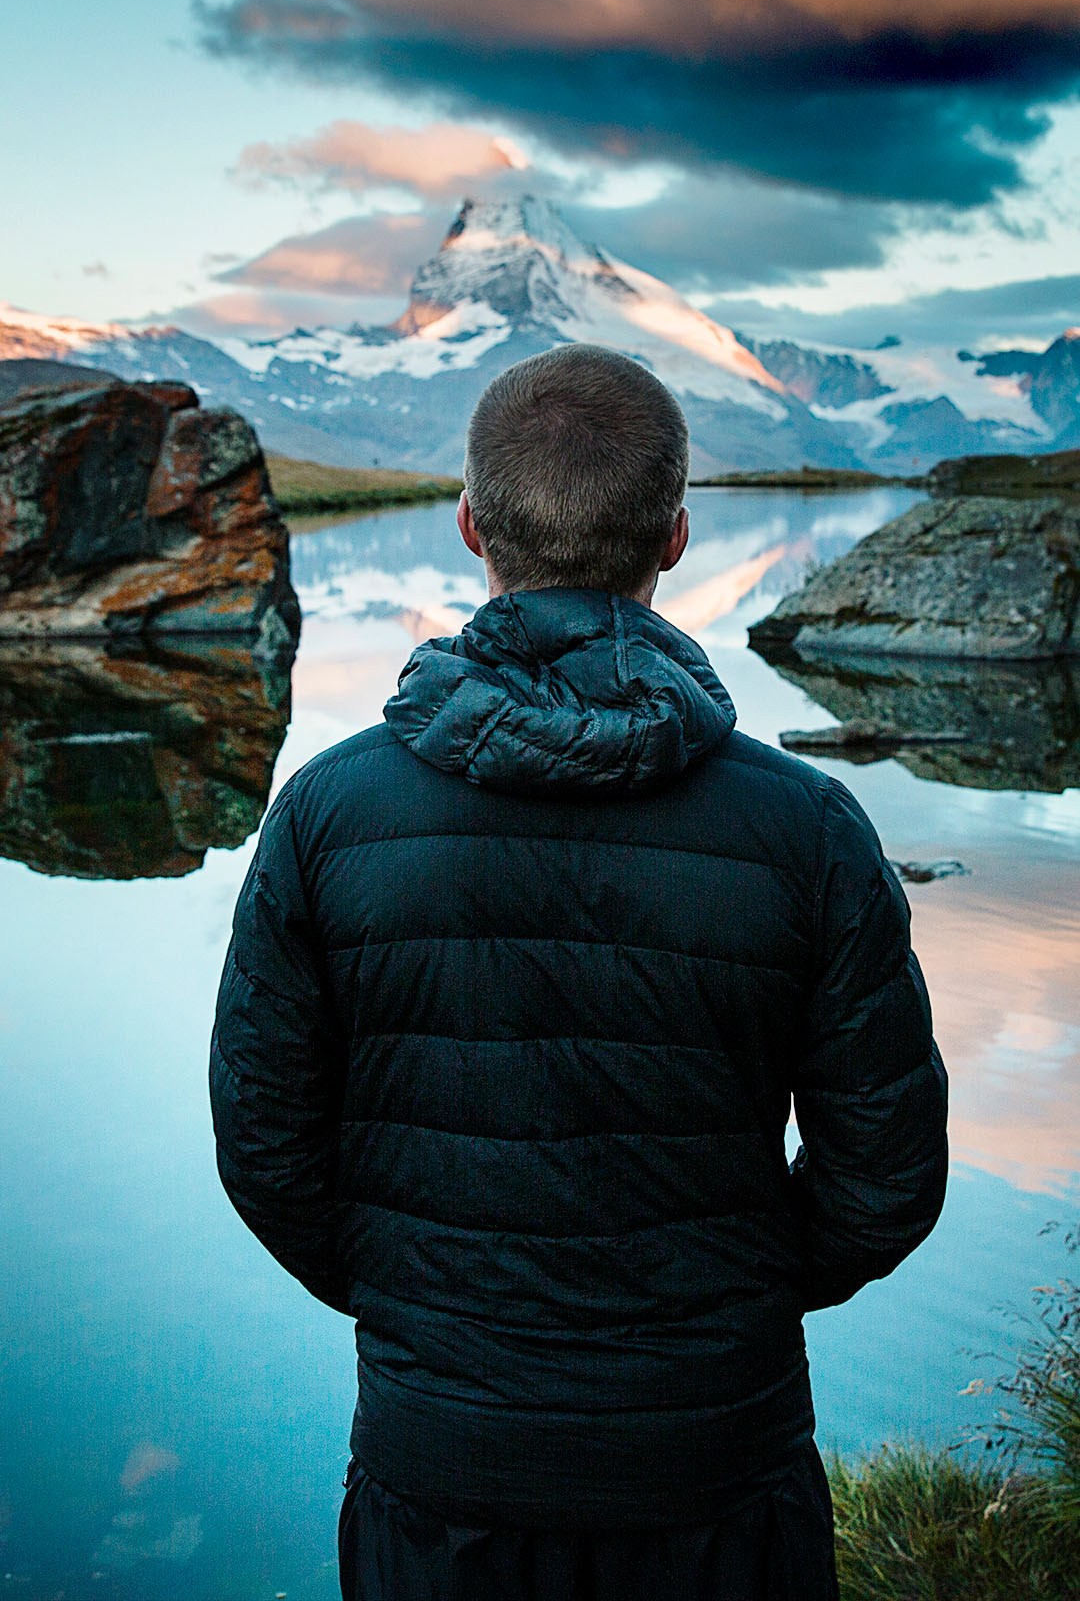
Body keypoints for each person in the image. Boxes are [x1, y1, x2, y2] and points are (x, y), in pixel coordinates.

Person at [210, 343, 948, 1601]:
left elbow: (266, 1152)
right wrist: (742, 1291)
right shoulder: (810, 829)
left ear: (467, 526)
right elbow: (886, 1176)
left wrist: (421, 1305)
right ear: (674, 535)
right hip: (719, 1467)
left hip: (439, 1474)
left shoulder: (325, 818)